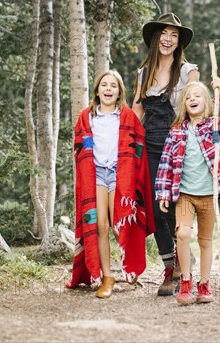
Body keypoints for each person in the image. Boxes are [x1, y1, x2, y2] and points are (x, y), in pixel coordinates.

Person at [66, 70, 155, 299]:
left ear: (119, 92)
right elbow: (80, 147)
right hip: (95, 174)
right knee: (100, 226)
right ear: (97, 90)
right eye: (104, 85)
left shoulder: (126, 117)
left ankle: (130, 264)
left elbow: (138, 145)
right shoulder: (87, 117)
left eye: (113, 86)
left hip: (119, 174)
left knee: (120, 223)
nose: (108, 89)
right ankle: (107, 277)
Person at [155, 79, 220, 305]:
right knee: (182, 234)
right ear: (184, 103)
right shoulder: (176, 133)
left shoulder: (214, 127)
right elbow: (165, 164)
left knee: (205, 240)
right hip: (185, 194)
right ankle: (185, 281)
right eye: (188, 97)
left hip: (209, 195)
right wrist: (163, 193)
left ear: (208, 102)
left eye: (197, 96)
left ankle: (204, 284)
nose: (192, 99)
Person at [132, 12, 199, 296]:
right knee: (154, 205)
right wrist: (128, 142)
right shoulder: (143, 73)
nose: (168, 39)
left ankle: (185, 260)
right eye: (163, 34)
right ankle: (170, 266)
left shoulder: (188, 71)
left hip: (179, 142)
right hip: (150, 142)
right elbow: (137, 110)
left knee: (174, 204)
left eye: (173, 35)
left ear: (178, 41)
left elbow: (197, 103)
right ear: (155, 38)